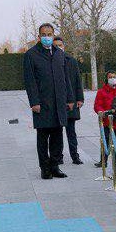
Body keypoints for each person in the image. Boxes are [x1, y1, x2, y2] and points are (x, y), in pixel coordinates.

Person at [23, 24, 72, 179]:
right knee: (43, 137)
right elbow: (29, 81)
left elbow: (66, 78)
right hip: (42, 103)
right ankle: (45, 168)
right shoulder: (31, 55)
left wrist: (70, 98)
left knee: (57, 135)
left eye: (49, 34)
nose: (47, 37)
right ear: (39, 36)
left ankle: (55, 166)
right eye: (43, 34)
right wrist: (34, 102)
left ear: (53, 35)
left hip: (59, 102)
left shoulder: (59, 54)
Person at [55, 35, 84, 164]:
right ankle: (58, 156)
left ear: (64, 46)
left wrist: (80, 98)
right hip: (57, 102)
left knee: (71, 131)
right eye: (55, 46)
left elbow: (78, 80)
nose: (58, 48)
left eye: (60, 45)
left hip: (71, 101)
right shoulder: (50, 62)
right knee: (57, 132)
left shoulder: (71, 60)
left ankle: (75, 156)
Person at [92, 71, 116, 175]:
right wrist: (101, 112)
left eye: (114, 77)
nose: (112, 79)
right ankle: (103, 161)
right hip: (106, 122)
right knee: (105, 141)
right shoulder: (101, 92)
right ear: (107, 79)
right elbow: (97, 105)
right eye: (110, 77)